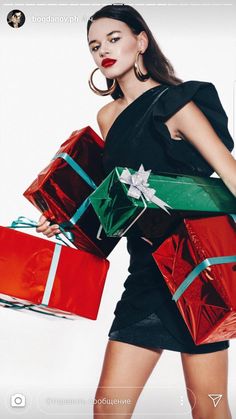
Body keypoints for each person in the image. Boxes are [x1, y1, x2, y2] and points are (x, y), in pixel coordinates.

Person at [36, 4, 236, 418]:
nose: (103, 51)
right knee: (108, 410)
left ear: (140, 41)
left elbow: (229, 173)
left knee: (210, 411)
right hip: (145, 276)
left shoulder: (175, 103)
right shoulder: (108, 117)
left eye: (114, 38)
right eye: (94, 46)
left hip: (196, 274)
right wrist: (66, 222)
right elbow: (116, 202)